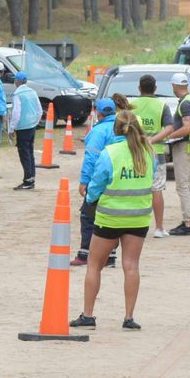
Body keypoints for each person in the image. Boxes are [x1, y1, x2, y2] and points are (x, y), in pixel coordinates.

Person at [70, 110, 153, 331]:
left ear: (115, 128)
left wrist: (89, 197)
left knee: (94, 265)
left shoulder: (110, 153)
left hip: (110, 217)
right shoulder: (147, 152)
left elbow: (97, 184)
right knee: (131, 266)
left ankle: (88, 315)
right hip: (138, 217)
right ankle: (128, 317)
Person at [71, 97, 118, 267]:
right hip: (117, 180)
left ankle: (85, 253)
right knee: (109, 217)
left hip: (99, 179)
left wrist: (84, 181)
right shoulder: (120, 129)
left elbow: (91, 158)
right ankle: (110, 256)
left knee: (88, 215)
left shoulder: (97, 132)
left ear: (98, 112)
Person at [130, 74, 176, 238]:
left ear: (139, 88)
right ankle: (158, 227)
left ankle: (133, 224)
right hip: (156, 153)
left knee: (135, 188)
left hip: (135, 152)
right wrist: (153, 139)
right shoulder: (161, 106)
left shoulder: (131, 105)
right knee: (156, 189)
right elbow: (169, 128)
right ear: (155, 88)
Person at [167, 73, 190, 236]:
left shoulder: (186, 103)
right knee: (186, 184)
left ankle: (188, 223)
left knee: (183, 185)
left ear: (174, 86)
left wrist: (169, 136)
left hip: (184, 147)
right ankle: (189, 219)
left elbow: (187, 127)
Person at [9, 71, 42, 191]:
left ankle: (27, 180)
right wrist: (35, 121)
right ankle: (31, 178)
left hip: (22, 127)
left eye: (15, 80)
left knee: (24, 154)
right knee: (30, 152)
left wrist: (12, 128)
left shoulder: (18, 94)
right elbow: (39, 110)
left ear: (18, 81)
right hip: (32, 125)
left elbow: (16, 113)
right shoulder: (32, 92)